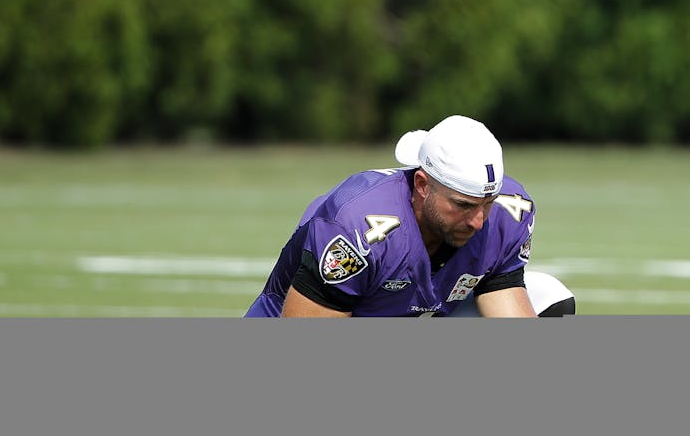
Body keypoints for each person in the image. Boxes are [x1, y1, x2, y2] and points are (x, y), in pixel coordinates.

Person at [246, 115, 576, 317]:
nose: (478, 220)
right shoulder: (357, 227)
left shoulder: (507, 214)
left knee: (548, 296)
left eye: (486, 203)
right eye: (462, 205)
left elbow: (507, 307)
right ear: (422, 184)